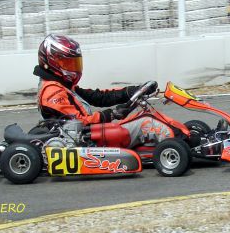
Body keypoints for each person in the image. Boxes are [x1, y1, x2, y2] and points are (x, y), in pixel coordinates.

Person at [33, 34, 175, 148]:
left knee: (145, 116)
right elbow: (79, 123)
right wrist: (112, 114)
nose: (73, 68)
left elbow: (99, 97)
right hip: (85, 139)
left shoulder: (61, 86)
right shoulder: (52, 92)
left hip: (92, 133)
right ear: (51, 62)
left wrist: (129, 92)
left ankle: (180, 138)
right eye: (67, 63)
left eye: (74, 63)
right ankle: (179, 143)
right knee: (147, 122)